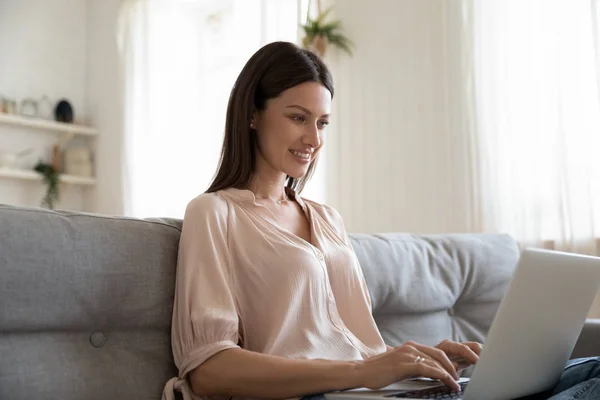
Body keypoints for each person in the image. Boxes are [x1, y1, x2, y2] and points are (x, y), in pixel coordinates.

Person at [162, 41, 600, 400]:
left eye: (322, 123)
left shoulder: (326, 219)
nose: (313, 139)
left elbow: (357, 347)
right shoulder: (215, 213)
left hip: (369, 391)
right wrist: (361, 372)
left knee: (592, 371)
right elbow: (208, 370)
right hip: (318, 394)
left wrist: (422, 357)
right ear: (252, 114)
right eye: (298, 118)